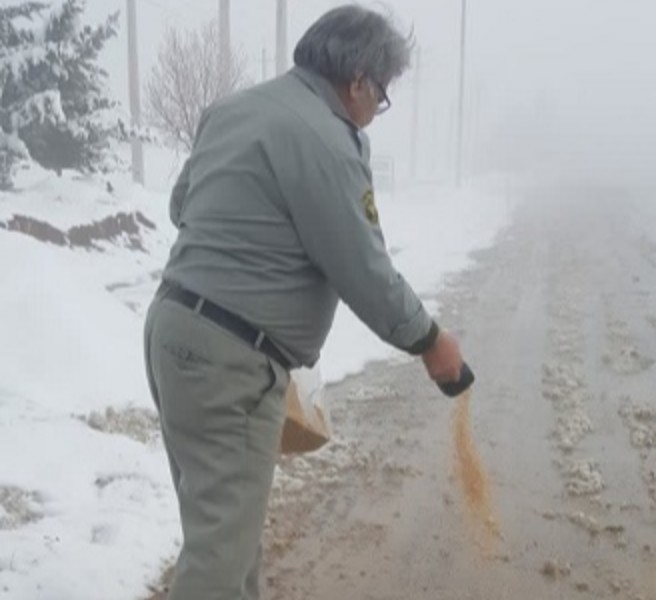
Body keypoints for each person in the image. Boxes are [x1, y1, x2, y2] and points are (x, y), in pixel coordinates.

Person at [143, 5, 467, 600]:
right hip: (230, 363)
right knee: (218, 559)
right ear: (358, 81)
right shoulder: (325, 137)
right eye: (382, 94)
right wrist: (430, 341)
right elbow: (363, 269)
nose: (375, 112)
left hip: (172, 333)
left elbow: (182, 205)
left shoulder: (233, 110)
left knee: (222, 535)